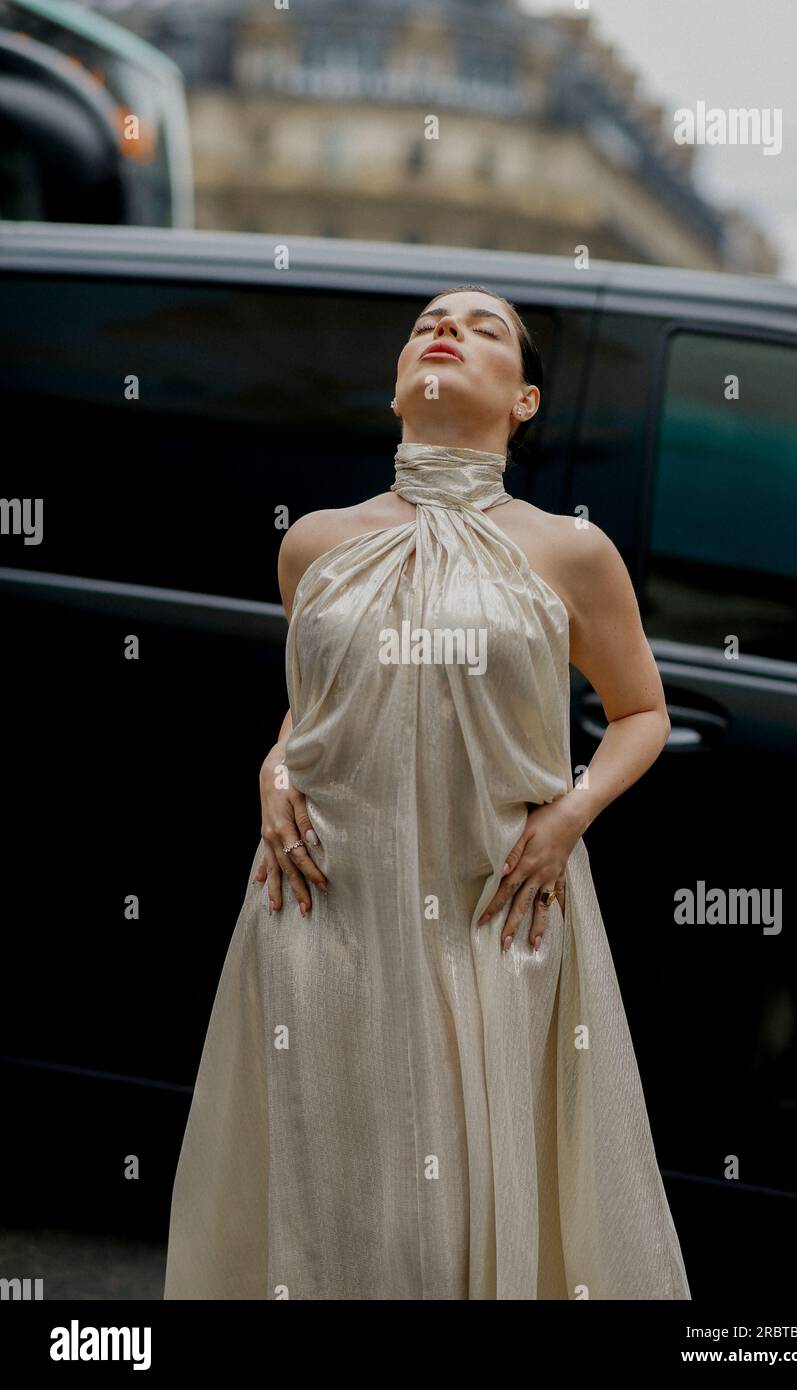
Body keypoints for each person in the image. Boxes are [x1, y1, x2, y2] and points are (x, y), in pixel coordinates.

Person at [163, 284, 691, 1301]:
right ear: (397, 385)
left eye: (480, 326)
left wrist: (570, 815)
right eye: (424, 326)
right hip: (323, 909)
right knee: (336, 1195)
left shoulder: (570, 551)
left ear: (523, 402)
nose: (442, 331)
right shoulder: (313, 541)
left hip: (495, 909)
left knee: (467, 1203)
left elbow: (642, 713)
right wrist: (270, 772)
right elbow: (314, 712)